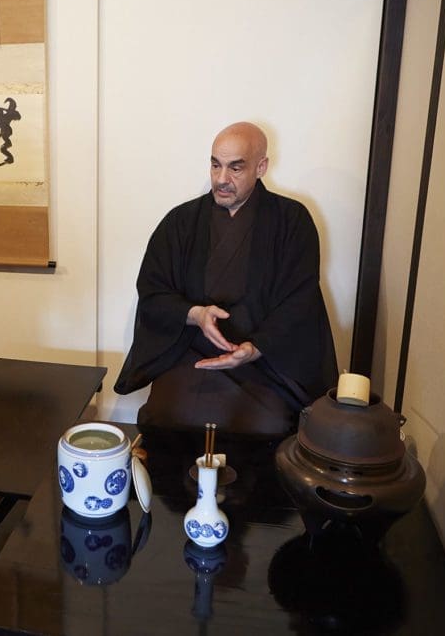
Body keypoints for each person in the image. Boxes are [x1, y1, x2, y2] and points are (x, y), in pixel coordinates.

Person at [115, 122, 338, 437]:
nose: (221, 179)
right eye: (215, 164)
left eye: (236, 168)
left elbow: (300, 301)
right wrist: (196, 315)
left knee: (266, 425)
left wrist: (255, 348)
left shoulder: (291, 221)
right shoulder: (181, 222)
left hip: (261, 363)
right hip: (189, 355)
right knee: (166, 414)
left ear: (261, 167)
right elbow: (152, 292)